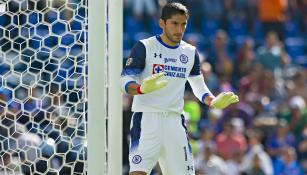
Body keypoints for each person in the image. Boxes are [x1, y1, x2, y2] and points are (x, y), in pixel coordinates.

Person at [120, 2, 239, 175]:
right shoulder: (145, 47)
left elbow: (199, 86)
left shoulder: (190, 52)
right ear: (162, 23)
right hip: (147, 120)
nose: (179, 29)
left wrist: (212, 101)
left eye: (183, 24)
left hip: (175, 122)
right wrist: (140, 89)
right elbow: (124, 80)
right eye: (174, 23)